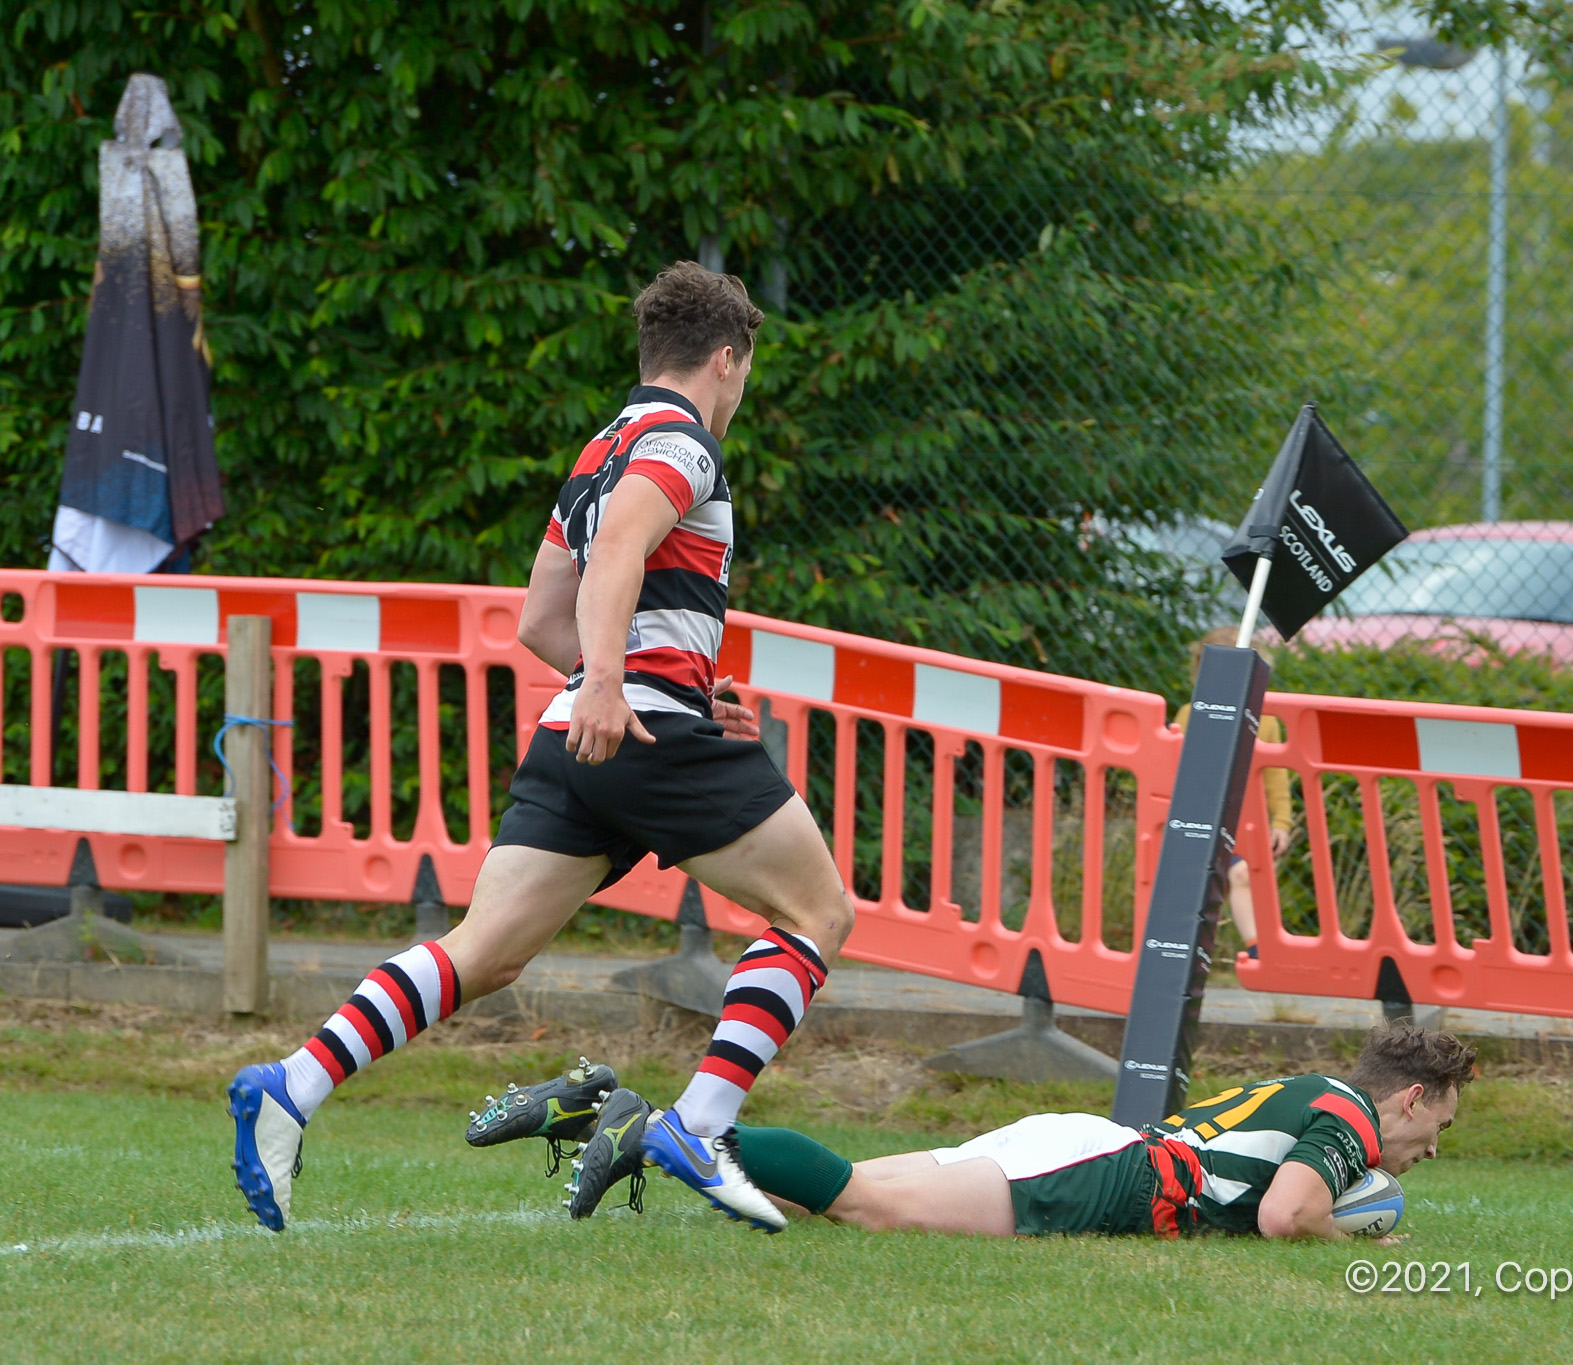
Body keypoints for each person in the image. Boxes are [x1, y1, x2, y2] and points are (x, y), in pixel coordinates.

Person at [229, 262, 853, 1234]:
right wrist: (619, 682)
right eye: (744, 372)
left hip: (578, 735)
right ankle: (700, 1122)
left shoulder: (599, 449)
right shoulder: (682, 443)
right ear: (727, 359)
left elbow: (538, 618)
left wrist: (634, 680)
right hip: (631, 725)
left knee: (484, 954)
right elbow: (618, 557)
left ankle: (293, 1084)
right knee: (816, 911)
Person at [508, 1024, 1473, 1239]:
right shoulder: (1349, 1113)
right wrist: (1363, 1229)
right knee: (866, 1203)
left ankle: (603, 1100)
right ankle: (655, 1126)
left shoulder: (1312, 1088)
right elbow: (1284, 1214)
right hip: (1110, 1172)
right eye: (1438, 1127)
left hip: (1089, 1145)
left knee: (832, 1204)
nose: (1432, 1149)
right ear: (1415, 1095)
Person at [1171, 628, 1294, 962]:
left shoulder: (1265, 721)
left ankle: (1257, 951)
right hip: (1197, 822)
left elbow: (1275, 779)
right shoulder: (1190, 713)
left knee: (1241, 876)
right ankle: (1181, 951)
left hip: (1242, 825)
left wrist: (1280, 821)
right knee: (1191, 886)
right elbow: (1175, 771)